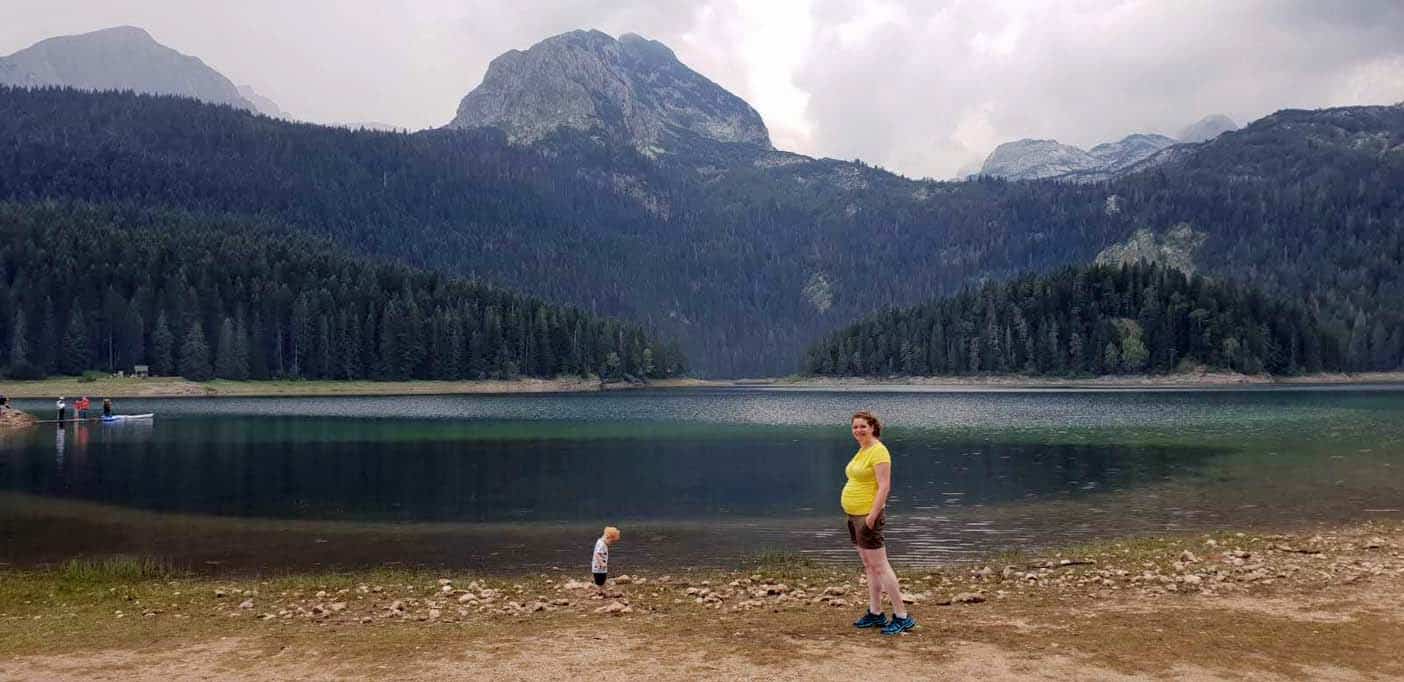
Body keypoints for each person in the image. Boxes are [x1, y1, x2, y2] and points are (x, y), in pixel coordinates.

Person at [843, 410, 916, 635]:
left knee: (881, 566)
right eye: (855, 427)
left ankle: (902, 616)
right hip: (854, 516)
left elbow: (884, 486)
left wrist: (873, 516)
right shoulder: (863, 450)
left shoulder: (879, 451)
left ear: (873, 427)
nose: (858, 430)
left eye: (863, 426)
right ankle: (876, 613)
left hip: (868, 516)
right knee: (869, 566)